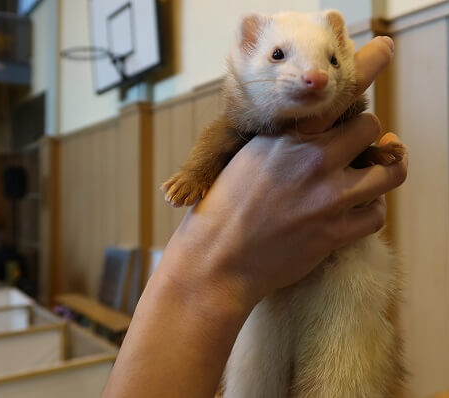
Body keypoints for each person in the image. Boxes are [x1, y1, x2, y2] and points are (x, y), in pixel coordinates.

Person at [102, 36, 408, 397]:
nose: (311, 73)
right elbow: (221, 141)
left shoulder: (342, 112)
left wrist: (371, 155)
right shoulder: (242, 119)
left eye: (330, 59)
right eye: (277, 55)